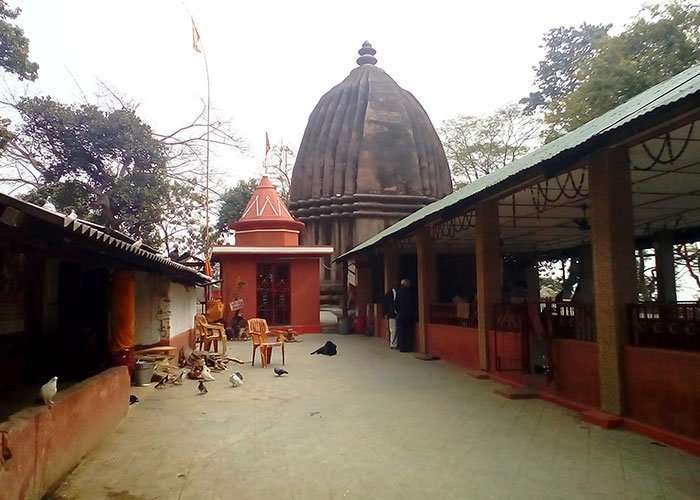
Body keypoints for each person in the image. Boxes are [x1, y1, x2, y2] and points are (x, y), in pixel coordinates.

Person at [395, 278, 417, 353]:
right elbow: (415, 304)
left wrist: (398, 312)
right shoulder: (412, 293)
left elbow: (396, 304)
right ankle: (409, 347)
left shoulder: (398, 292)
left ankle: (402, 347)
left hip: (401, 315)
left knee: (401, 331)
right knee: (409, 332)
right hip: (410, 315)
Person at [382, 283, 399, 349]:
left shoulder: (389, 294)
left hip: (392, 314)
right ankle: (393, 344)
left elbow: (385, 304)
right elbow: (385, 304)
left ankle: (394, 343)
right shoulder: (391, 294)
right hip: (393, 314)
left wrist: (386, 313)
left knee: (393, 329)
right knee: (393, 329)